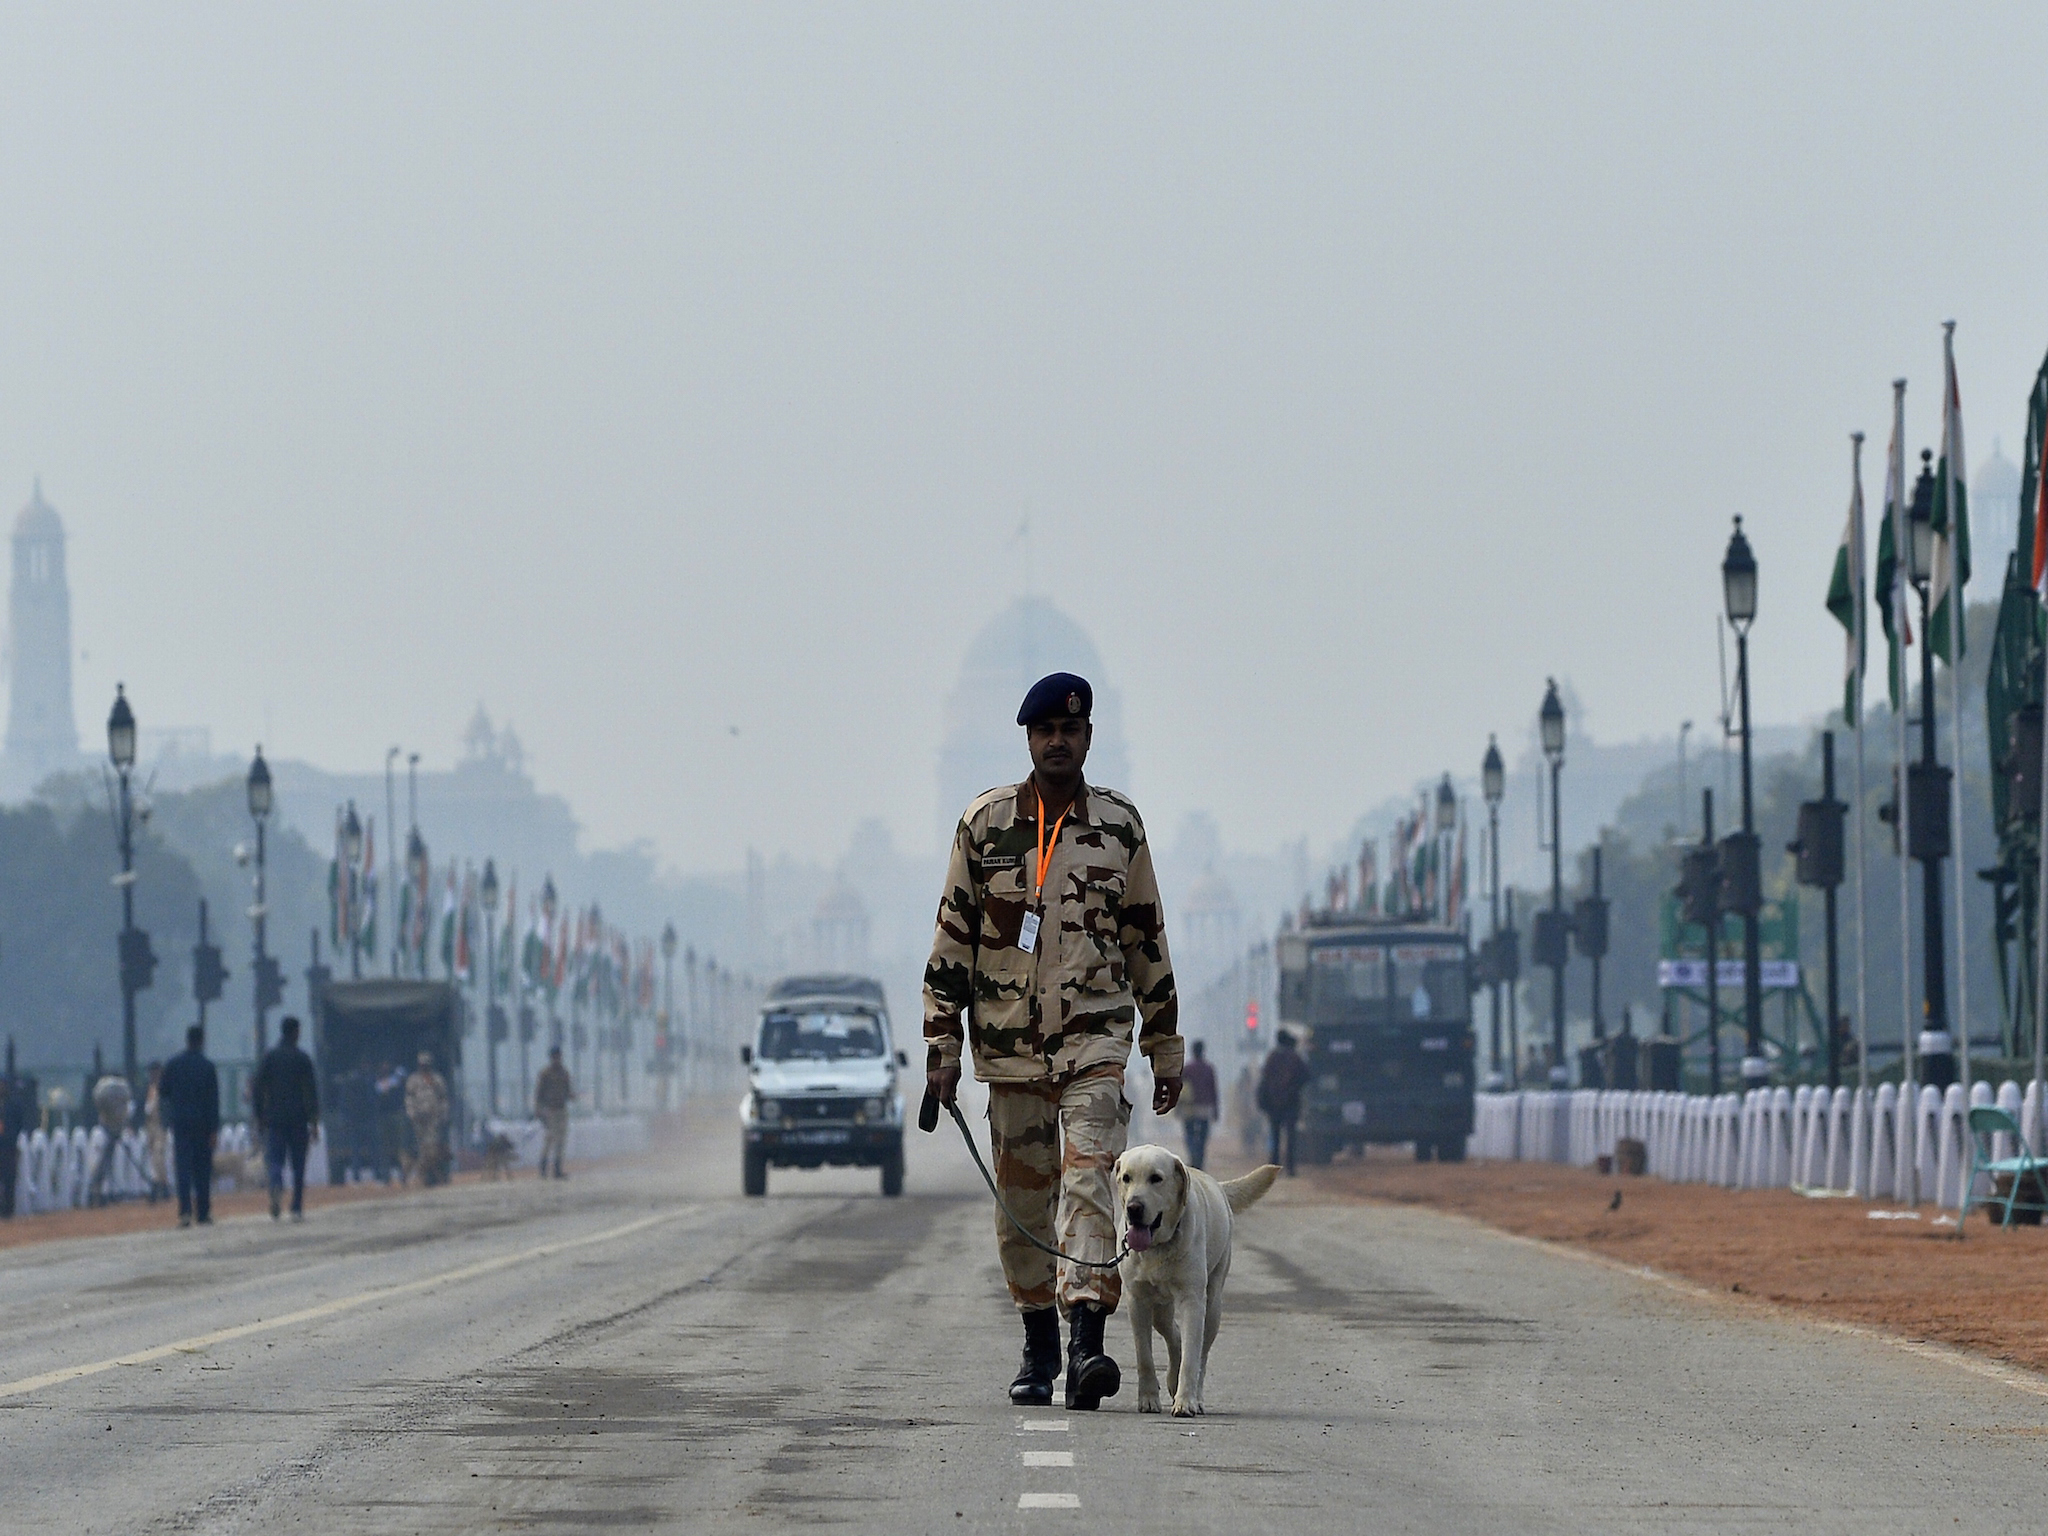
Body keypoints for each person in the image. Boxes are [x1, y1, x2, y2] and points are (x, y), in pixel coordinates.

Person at [924, 671, 1182, 1411]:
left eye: (1071, 731)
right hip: (1008, 1052)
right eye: (1046, 732)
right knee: (1025, 1204)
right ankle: (1039, 1345)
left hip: (1095, 1046)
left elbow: (1146, 941)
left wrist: (1165, 1043)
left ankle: (1088, 1344)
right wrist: (941, 1048)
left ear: (1089, 737)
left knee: (1092, 1184)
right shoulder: (986, 826)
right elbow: (951, 941)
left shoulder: (1119, 827)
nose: (1059, 742)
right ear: (1029, 740)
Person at [252, 1016, 320, 1221]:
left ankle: (276, 1184)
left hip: (275, 1118)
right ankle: (296, 1206)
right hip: (298, 1119)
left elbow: (257, 1088)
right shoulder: (302, 1058)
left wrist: (260, 1115)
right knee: (299, 1164)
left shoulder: (270, 1058)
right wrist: (314, 1121)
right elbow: (311, 1092)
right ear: (295, 1032)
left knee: (275, 1160)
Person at [159, 1026, 220, 1227]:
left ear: (187, 1040)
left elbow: (163, 1091)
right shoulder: (208, 1067)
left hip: (181, 1123)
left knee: (183, 1169)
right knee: (203, 1169)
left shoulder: (174, 1064)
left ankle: (184, 1212)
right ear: (202, 1040)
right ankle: (202, 1212)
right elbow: (213, 1101)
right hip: (203, 1124)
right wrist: (214, 1129)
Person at [1256, 1031, 1309, 1177]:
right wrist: (1293, 1088)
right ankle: (1291, 1168)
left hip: (1274, 1105)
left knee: (1275, 1135)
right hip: (1291, 1102)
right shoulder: (1295, 1058)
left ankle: (1274, 1168)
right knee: (1291, 1137)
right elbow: (1306, 1076)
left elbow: (1265, 1079)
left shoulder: (1272, 1057)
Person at [86, 1073, 134, 1206]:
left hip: (111, 1127)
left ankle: (100, 1190)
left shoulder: (111, 1089)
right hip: (107, 1129)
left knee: (106, 1160)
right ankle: (97, 1190)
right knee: (101, 1160)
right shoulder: (118, 1089)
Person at [404, 1051, 450, 1186]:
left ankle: (432, 1175)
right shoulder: (413, 1080)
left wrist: (444, 1114)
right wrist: (412, 1114)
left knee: (433, 1148)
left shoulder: (437, 1080)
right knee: (422, 1148)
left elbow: (443, 1098)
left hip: (433, 1119)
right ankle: (423, 1176)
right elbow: (409, 1099)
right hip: (419, 1120)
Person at [1178, 1040, 1219, 1170]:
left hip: (1189, 1107)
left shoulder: (1187, 1069)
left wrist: (1177, 1106)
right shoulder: (1209, 1069)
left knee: (1189, 1133)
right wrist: (1216, 1109)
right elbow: (1213, 1090)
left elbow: (1180, 1088)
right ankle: (1199, 1160)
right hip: (1205, 1107)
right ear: (1203, 1051)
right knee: (1203, 1136)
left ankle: (1193, 1155)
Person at [534, 1046, 572, 1179]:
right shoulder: (545, 1074)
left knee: (561, 1141)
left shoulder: (564, 1073)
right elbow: (539, 1094)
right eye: (555, 1056)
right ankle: (543, 1168)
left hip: (562, 1110)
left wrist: (571, 1096)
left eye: (558, 1056)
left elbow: (568, 1091)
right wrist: (538, 1110)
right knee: (550, 1140)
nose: (557, 1059)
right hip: (550, 1111)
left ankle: (557, 1169)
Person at [142, 1062, 169, 1203]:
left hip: (160, 1126)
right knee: (153, 1157)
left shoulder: (164, 1088)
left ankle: (158, 1185)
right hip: (149, 1126)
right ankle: (162, 1186)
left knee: (159, 1155)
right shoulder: (147, 1089)